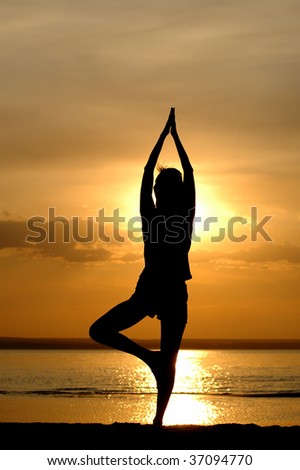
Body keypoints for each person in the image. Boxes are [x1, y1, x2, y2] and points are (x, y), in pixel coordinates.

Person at [89, 108, 195, 426]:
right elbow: (187, 173)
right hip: (159, 290)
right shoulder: (182, 218)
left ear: (158, 193)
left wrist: (164, 135)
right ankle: (154, 382)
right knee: (165, 361)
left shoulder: (155, 216)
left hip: (160, 291)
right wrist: (174, 137)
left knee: (102, 332)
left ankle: (158, 420)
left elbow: (152, 171)